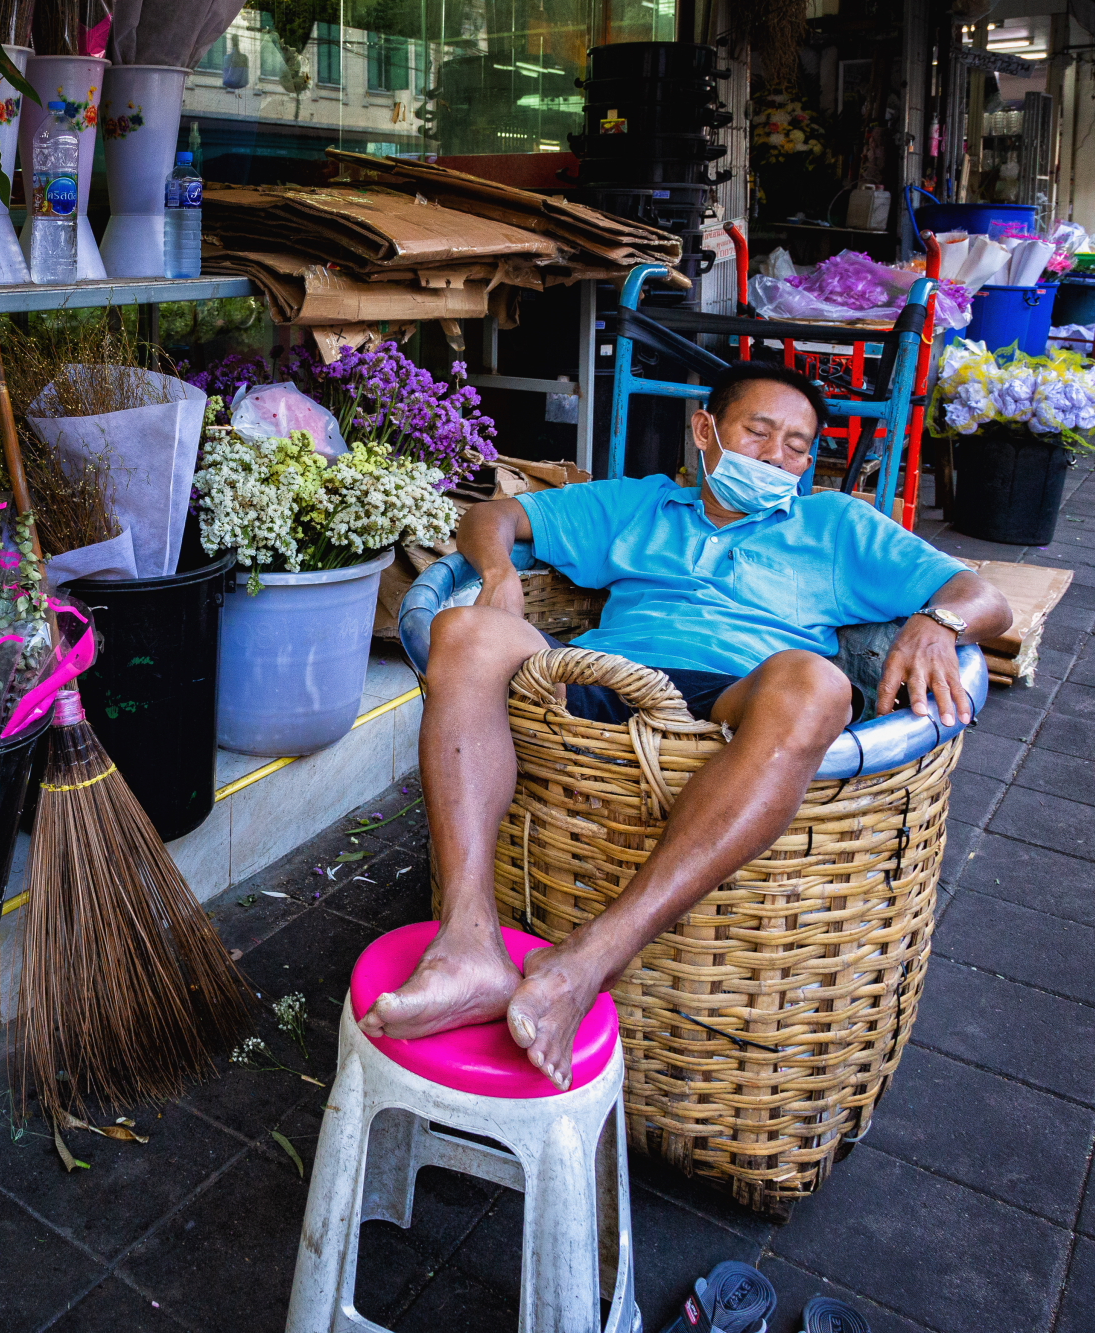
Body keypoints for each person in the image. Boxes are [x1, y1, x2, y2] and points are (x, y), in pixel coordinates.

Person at [361, 362, 1013, 1090]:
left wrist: (938, 620)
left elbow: (985, 596)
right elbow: (491, 517)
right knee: (463, 631)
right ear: (706, 431)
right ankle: (467, 945)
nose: (775, 457)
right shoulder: (642, 505)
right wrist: (498, 574)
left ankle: (589, 958)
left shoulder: (835, 525)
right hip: (604, 675)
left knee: (818, 683)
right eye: (757, 432)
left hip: (736, 695)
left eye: (797, 447)